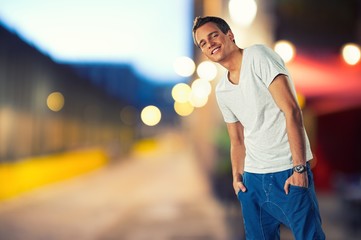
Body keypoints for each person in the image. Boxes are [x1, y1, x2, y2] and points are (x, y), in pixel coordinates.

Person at [192, 16, 326, 240]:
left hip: (287, 173)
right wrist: (237, 178)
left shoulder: (258, 56)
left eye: (213, 35)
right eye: (203, 43)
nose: (210, 44)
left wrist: (299, 169)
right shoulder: (223, 90)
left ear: (229, 35)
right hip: (253, 180)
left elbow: (291, 110)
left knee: (310, 237)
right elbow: (236, 140)